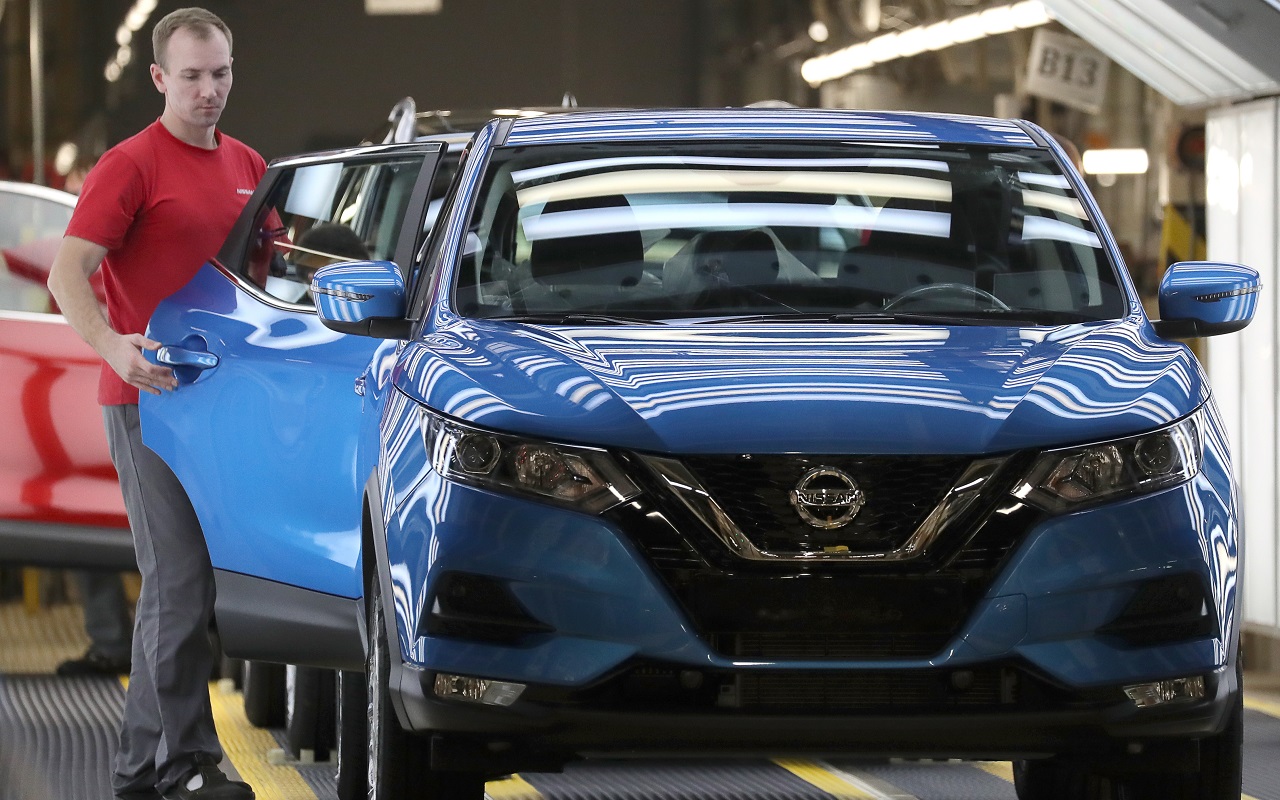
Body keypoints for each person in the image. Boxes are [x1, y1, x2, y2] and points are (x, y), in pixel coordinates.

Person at [46, 8, 264, 800]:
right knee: (176, 581)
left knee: (190, 585)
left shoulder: (247, 164)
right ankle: (185, 764)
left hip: (222, 407)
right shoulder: (130, 165)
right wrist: (113, 347)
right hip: (150, 402)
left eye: (221, 73)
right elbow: (66, 273)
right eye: (193, 76)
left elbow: (271, 274)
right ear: (159, 78)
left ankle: (141, 770)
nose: (210, 90)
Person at [54, 151, 138, 680]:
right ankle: (113, 641)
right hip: (97, 398)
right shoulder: (74, 256)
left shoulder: (128, 236)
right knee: (84, 520)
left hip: (133, 388)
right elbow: (59, 281)